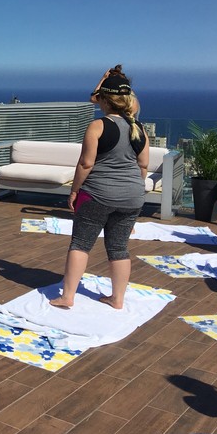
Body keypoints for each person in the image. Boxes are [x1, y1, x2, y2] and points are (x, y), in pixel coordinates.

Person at [50, 66, 149, 310]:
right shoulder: (139, 129)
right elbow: (143, 165)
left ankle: (68, 296)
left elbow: (86, 163)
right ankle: (117, 299)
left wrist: (74, 191)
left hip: (97, 195)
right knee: (119, 248)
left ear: (104, 100)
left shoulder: (97, 126)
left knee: (81, 244)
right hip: (132, 197)